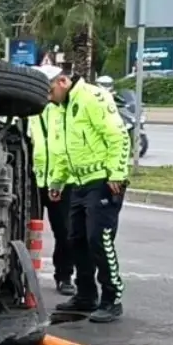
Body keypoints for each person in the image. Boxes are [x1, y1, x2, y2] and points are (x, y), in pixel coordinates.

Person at [45, 71, 131, 323]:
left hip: (103, 181)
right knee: (76, 239)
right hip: (78, 182)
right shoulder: (62, 107)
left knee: (99, 240)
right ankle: (86, 295)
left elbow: (118, 136)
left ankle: (112, 298)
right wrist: (58, 180)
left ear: (62, 82)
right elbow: (62, 149)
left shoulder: (93, 97)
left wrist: (117, 173)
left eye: (50, 92)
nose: (49, 99)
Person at [29, 66, 75, 295]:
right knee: (24, 231)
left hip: (61, 181)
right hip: (33, 181)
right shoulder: (27, 111)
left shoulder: (66, 110)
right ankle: (22, 276)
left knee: (65, 232)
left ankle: (64, 276)